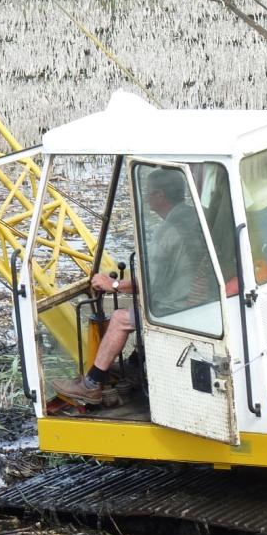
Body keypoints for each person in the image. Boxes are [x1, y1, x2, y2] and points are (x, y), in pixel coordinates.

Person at [51, 167, 207, 406]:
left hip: (180, 309)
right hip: (201, 302)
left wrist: (112, 283)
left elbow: (146, 283)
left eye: (148, 193)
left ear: (160, 196)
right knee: (144, 307)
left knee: (121, 318)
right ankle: (134, 366)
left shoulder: (167, 232)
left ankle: (91, 384)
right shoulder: (197, 215)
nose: (145, 198)